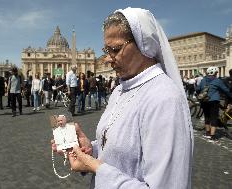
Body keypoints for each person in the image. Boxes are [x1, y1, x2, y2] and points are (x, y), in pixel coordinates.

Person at [52, 8, 193, 189]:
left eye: (116, 49)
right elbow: (120, 153)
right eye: (106, 50)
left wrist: (95, 167)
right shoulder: (119, 91)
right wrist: (90, 150)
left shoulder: (164, 99)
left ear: (144, 44)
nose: (108, 59)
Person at [196, 66, 232, 141]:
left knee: (207, 116)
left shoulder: (203, 80)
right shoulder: (217, 81)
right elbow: (225, 90)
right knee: (214, 117)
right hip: (214, 101)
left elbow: (198, 89)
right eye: (216, 73)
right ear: (215, 73)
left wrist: (200, 94)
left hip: (204, 101)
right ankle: (212, 135)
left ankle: (207, 133)